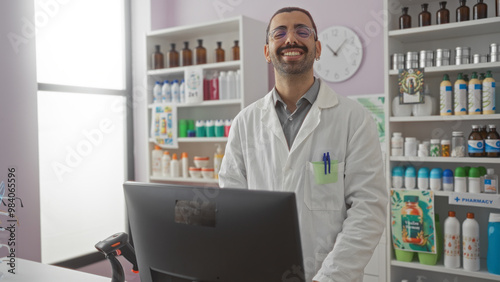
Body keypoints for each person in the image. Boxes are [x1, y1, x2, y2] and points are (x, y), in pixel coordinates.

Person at [219, 7, 387, 282]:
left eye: (302, 31)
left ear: (317, 48)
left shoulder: (354, 119)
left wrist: (330, 277)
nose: (291, 39)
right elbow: (232, 207)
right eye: (279, 33)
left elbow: (368, 209)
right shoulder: (244, 123)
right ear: (266, 52)